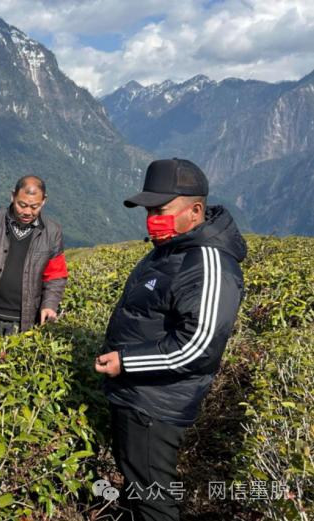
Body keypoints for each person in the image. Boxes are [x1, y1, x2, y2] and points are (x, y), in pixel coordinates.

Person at [95, 158, 246, 521]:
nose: (152, 219)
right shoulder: (173, 248)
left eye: (160, 210)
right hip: (137, 396)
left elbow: (200, 346)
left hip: (155, 408)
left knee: (154, 503)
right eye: (149, 210)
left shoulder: (209, 264)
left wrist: (126, 361)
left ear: (195, 210)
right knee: (139, 492)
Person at [0, 175, 68, 342]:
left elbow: (56, 276)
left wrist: (49, 305)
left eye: (34, 207)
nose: (27, 212)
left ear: (44, 201)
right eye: (22, 205)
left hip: (25, 319)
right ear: (12, 196)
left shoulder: (52, 232)